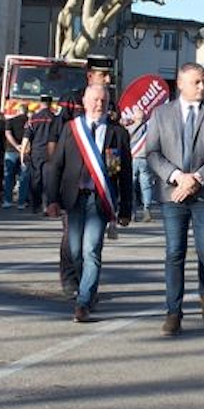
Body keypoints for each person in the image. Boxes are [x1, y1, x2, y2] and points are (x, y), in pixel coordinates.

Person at [144, 62, 204, 335]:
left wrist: (196, 178)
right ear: (180, 84)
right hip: (174, 194)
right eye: (196, 82)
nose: (202, 87)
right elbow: (152, 153)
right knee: (175, 252)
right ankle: (173, 312)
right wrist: (176, 177)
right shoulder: (161, 114)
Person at [44, 82, 132, 322]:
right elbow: (56, 166)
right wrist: (51, 199)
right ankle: (86, 288)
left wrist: (126, 209)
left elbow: (123, 173)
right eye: (94, 99)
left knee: (91, 250)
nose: (99, 104)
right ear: (84, 101)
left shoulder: (118, 134)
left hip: (100, 200)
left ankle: (84, 301)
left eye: (103, 100)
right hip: (74, 199)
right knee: (75, 252)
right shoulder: (72, 129)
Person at [23, 94, 63, 215]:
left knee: (36, 179)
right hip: (51, 152)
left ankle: (36, 205)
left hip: (36, 152)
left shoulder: (34, 118)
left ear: (41, 103)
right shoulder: (55, 118)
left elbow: (27, 137)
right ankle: (47, 206)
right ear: (51, 104)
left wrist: (23, 152)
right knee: (49, 180)